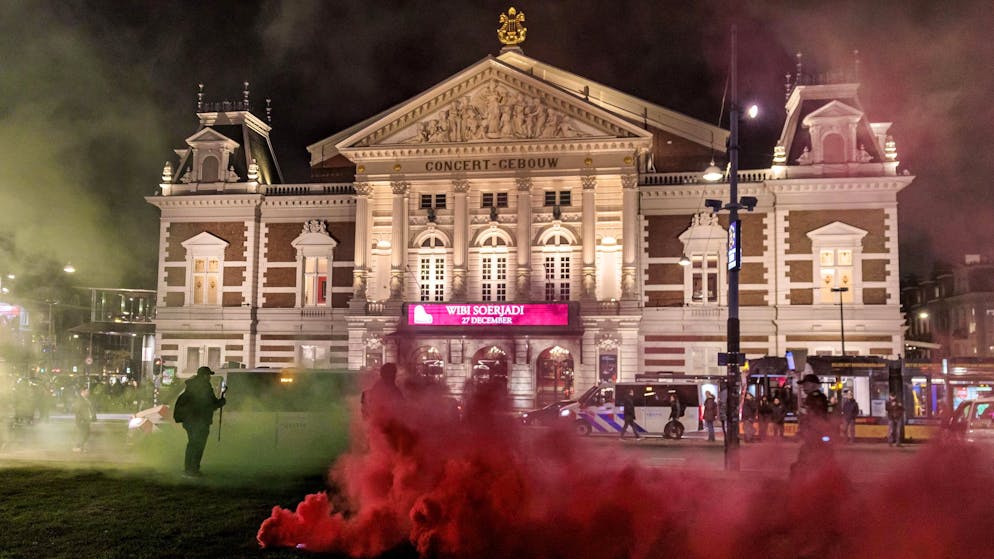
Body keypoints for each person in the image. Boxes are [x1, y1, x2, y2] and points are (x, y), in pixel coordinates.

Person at [172, 366, 226, 477]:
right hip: (200, 421)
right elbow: (210, 404)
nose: (209, 377)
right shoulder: (204, 387)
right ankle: (193, 469)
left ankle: (189, 469)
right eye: (208, 375)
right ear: (204, 375)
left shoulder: (191, 386)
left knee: (192, 444)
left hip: (189, 421)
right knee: (198, 445)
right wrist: (221, 402)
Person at [72, 387, 96, 452]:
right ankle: (77, 447)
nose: (88, 392)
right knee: (83, 433)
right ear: (82, 392)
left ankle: (80, 447)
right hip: (81, 420)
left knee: (86, 433)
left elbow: (89, 409)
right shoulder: (79, 400)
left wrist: (92, 417)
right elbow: (76, 410)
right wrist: (81, 418)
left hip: (86, 419)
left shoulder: (86, 399)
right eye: (87, 391)